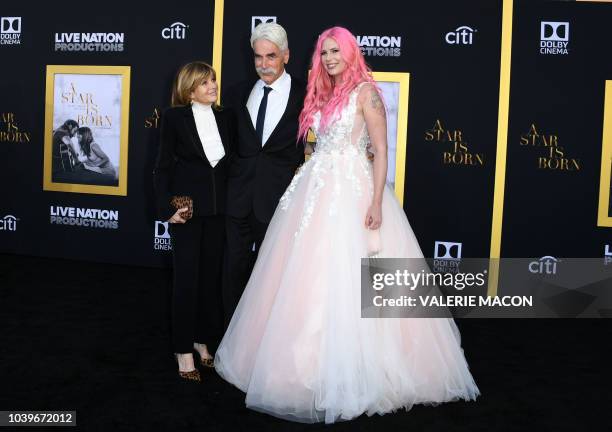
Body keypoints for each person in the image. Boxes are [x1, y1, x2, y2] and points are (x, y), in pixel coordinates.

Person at [214, 27, 480, 422]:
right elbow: (312, 144)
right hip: (315, 187)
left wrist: (375, 200)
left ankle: (358, 371)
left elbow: (382, 150)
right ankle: (295, 365)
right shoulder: (321, 93)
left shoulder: (367, 93)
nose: (330, 58)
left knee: (350, 273)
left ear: (351, 52)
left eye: (336, 51)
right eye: (324, 52)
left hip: (353, 191)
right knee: (304, 277)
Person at [153, 61, 233, 382]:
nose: (212, 86)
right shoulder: (174, 118)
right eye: (204, 83)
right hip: (186, 210)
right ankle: (183, 348)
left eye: (213, 80)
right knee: (186, 281)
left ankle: (202, 339)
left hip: (219, 211)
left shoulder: (226, 117)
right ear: (189, 90)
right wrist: (166, 208)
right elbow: (162, 167)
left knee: (209, 281)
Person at [222, 22, 306, 323]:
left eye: (271, 56)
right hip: (238, 196)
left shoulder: (306, 95)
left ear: (286, 55)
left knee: (273, 276)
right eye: (258, 57)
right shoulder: (236, 93)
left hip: (279, 199)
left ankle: (265, 337)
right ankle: (230, 337)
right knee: (233, 270)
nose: (263, 64)